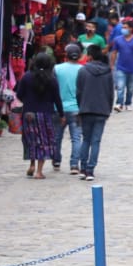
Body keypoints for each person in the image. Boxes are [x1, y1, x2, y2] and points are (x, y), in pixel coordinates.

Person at [14, 52, 64, 179]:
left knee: (31, 140)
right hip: (45, 114)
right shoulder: (52, 79)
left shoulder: (26, 77)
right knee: (44, 141)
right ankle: (39, 171)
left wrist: (28, 100)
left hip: (29, 113)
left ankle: (31, 165)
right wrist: (62, 114)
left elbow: (19, 94)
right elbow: (57, 99)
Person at [75, 45, 114, 182]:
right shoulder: (108, 72)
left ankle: (83, 168)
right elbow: (110, 93)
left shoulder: (83, 71)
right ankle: (91, 170)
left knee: (86, 139)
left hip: (86, 109)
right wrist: (108, 109)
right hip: (102, 110)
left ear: (90, 56)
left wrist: (81, 107)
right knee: (96, 141)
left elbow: (78, 92)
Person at [52, 44, 83, 174]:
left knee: (57, 136)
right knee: (76, 138)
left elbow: (52, 87)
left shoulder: (57, 68)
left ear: (66, 55)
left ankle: (56, 160)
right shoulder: (83, 69)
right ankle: (74, 165)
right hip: (76, 108)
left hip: (59, 108)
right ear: (79, 56)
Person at [108, 21, 133, 111]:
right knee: (120, 87)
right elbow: (114, 52)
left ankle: (128, 103)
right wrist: (112, 64)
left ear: (131, 29)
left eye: (125, 27)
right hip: (121, 67)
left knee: (130, 88)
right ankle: (119, 103)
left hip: (132, 68)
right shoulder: (118, 40)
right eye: (123, 27)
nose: (123, 29)